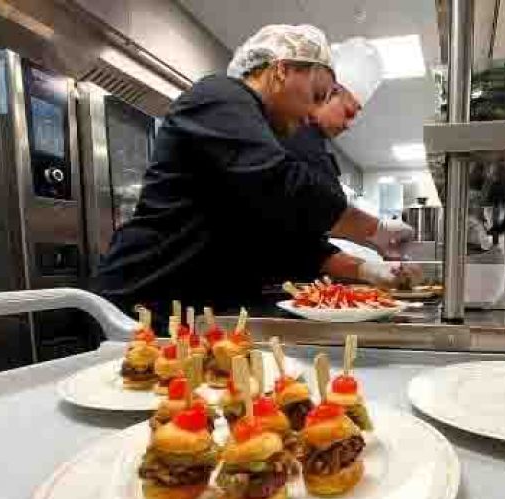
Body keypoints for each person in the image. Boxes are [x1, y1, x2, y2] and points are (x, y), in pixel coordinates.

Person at [96, 25, 413, 317]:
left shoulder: (260, 131)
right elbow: (283, 187)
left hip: (191, 308)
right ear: (282, 70)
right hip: (141, 300)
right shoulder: (220, 96)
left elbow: (277, 238)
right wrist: (376, 229)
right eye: (316, 96)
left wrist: (367, 270)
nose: (312, 114)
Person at [283, 38, 416, 287]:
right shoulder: (296, 134)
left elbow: (303, 237)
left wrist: (366, 268)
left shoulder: (312, 142)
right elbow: (316, 205)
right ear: (328, 92)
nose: (348, 124)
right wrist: (378, 230)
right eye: (349, 112)